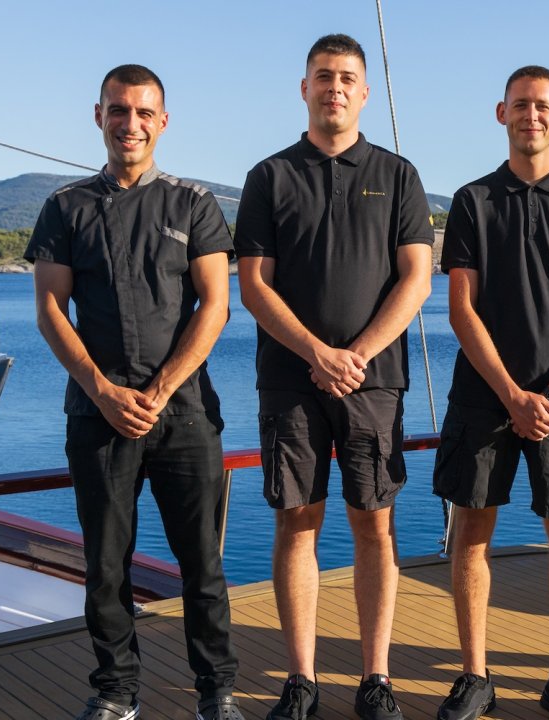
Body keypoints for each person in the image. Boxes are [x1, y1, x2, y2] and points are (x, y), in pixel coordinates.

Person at [27, 64, 242, 720]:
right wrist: (101, 391)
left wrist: (160, 389)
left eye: (144, 113)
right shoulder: (66, 207)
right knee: (107, 567)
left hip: (184, 415)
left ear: (162, 122)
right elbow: (49, 310)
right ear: (99, 116)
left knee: (202, 566)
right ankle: (117, 693)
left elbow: (215, 306)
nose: (131, 124)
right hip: (98, 416)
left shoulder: (194, 204)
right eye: (119, 111)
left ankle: (216, 694)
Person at [234, 33, 433, 720]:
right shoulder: (268, 177)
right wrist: (317, 352)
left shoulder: (399, 175)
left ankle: (375, 678)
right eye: (323, 76)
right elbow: (254, 287)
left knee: (374, 524)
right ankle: (301, 680)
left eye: (347, 77)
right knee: (298, 521)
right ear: (305, 88)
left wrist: (356, 355)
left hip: (374, 383)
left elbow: (416, 277)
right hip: (291, 382)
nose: (335, 88)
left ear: (364, 92)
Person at [432, 65, 549, 720]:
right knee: (472, 533)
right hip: (485, 394)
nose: (530, 116)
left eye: (542, 106)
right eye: (519, 105)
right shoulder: (473, 200)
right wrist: (512, 394)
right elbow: (461, 309)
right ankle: (475, 675)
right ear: (500, 113)